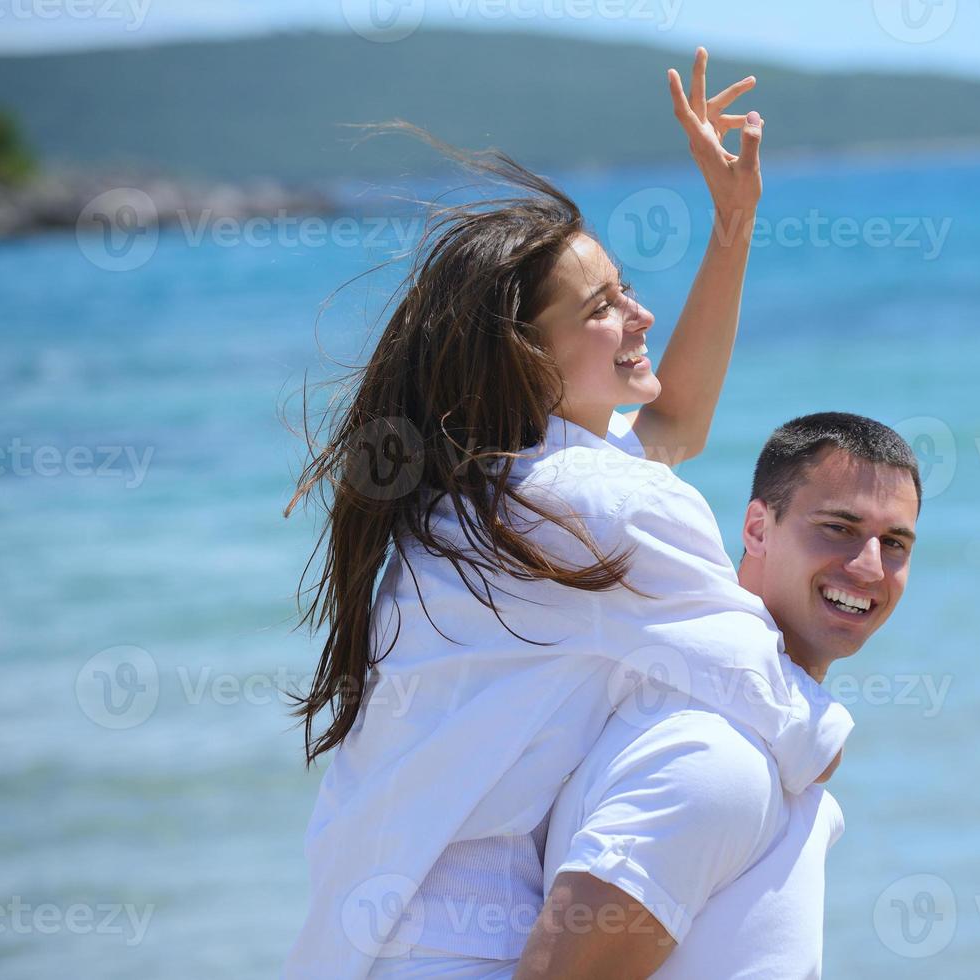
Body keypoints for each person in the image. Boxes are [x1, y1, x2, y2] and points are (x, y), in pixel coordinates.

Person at [284, 50, 851, 979]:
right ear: (526, 359)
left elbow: (673, 426)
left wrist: (733, 222)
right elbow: (784, 712)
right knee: (758, 784)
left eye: (624, 288)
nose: (640, 314)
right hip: (466, 948)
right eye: (602, 307)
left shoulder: (477, 487)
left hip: (375, 938)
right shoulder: (594, 504)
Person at [519, 414, 923, 979]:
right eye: (838, 527)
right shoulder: (713, 759)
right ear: (757, 528)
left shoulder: (762, 742)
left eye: (895, 543)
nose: (869, 567)